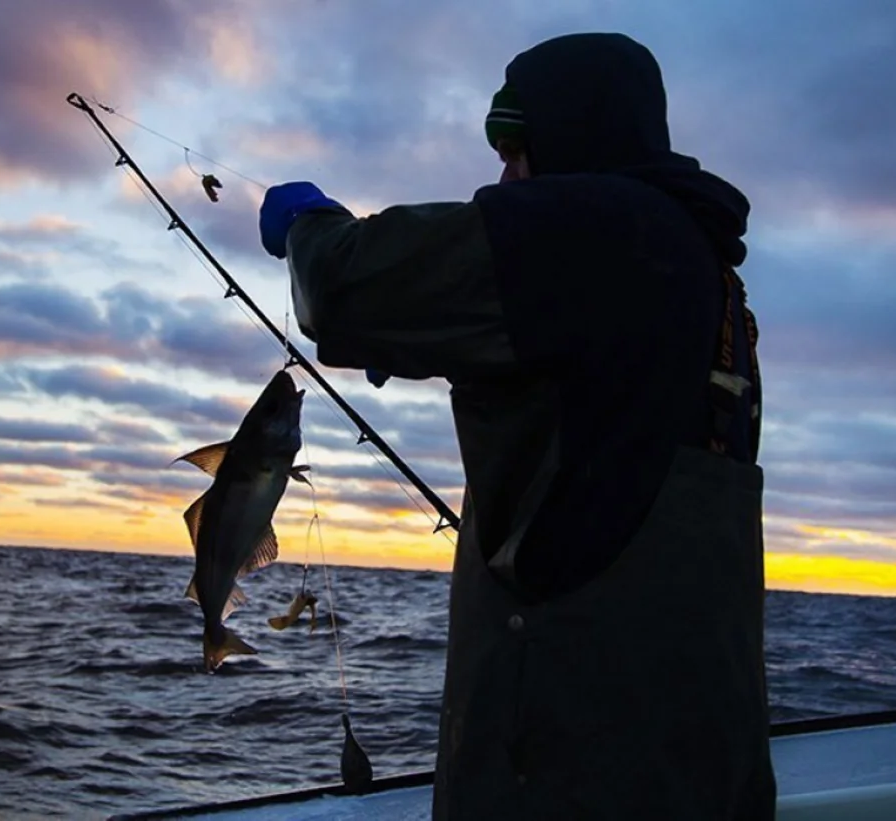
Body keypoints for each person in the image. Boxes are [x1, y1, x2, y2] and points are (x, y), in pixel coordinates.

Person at [257, 31, 775, 821]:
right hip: (699, 767)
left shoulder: (591, 224)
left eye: (516, 152)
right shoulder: (706, 275)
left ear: (574, 132)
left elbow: (340, 288)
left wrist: (309, 223)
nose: (504, 178)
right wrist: (439, 339)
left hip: (568, 776)